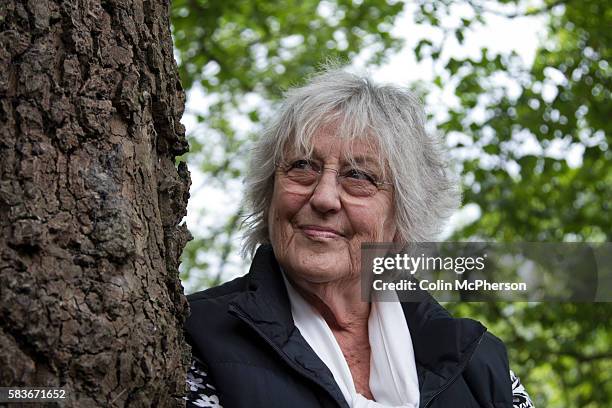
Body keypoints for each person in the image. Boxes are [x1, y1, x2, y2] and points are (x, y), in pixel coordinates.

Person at [184, 68, 534, 408]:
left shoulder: (480, 365)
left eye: (358, 176)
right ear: (269, 191)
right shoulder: (194, 337)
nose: (323, 198)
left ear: (402, 217)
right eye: (302, 166)